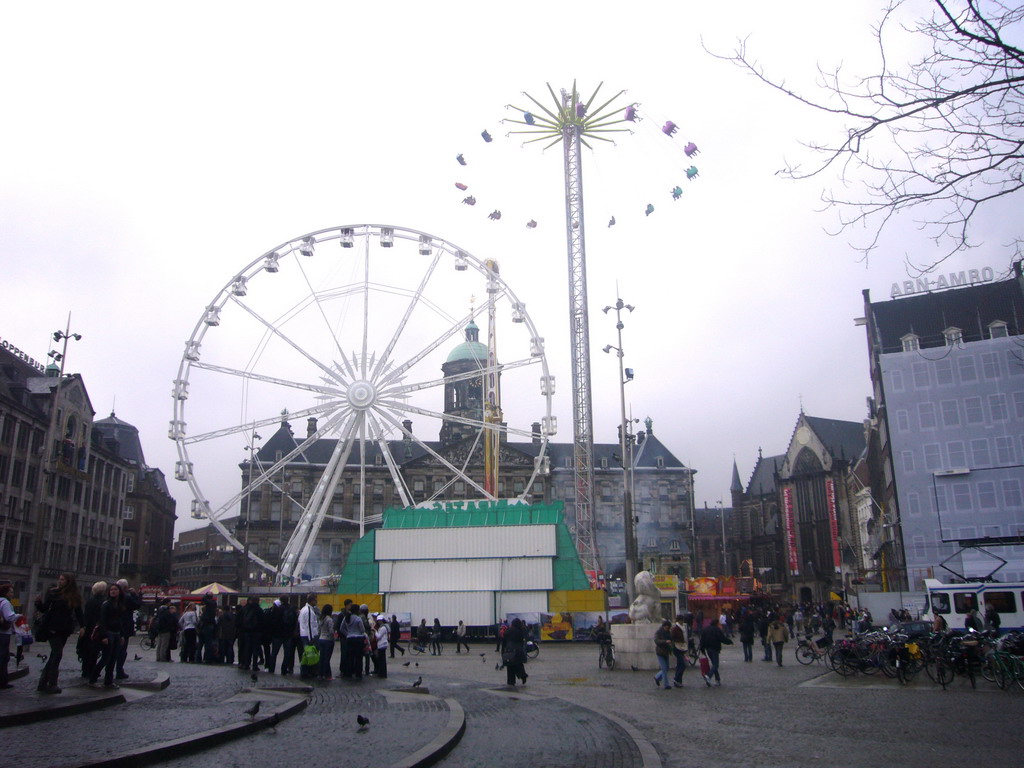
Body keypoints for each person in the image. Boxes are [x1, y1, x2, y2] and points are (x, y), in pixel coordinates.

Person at [34, 572, 84, 694]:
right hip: (53, 627)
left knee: (53, 655)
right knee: (57, 654)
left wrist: (83, 626)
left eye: (62, 580)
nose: (60, 581)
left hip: (65, 628)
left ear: (69, 581)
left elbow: (78, 612)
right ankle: (52, 683)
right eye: (59, 579)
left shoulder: (74, 595)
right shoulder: (53, 592)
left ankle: (42, 683)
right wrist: (38, 603)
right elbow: (45, 608)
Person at [91, 583, 127, 688]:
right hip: (109, 632)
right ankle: (93, 677)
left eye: (115, 589)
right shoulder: (106, 604)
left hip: (116, 633)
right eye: (111, 590)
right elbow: (103, 621)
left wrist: (122, 635)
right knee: (106, 658)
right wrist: (104, 636)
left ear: (119, 591)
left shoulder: (119, 605)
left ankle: (108, 681)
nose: (113, 591)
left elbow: (120, 621)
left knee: (113, 658)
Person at [80, 580, 107, 680]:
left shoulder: (90, 600)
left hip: (89, 627)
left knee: (87, 649)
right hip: (97, 628)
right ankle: (91, 670)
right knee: (94, 651)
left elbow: (86, 615)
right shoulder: (103, 602)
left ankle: (85, 669)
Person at [115, 579, 142, 677]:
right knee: (122, 649)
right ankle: (119, 670)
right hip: (125, 626)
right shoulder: (127, 598)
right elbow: (137, 604)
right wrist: (135, 594)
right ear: (126, 588)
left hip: (113, 625)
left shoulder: (114, 597)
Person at [698, 617, 732, 686]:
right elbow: (722, 638)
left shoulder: (705, 629)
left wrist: (702, 649)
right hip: (715, 648)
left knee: (714, 664)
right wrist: (729, 642)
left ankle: (717, 680)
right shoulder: (717, 630)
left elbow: (702, 640)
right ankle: (709, 676)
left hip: (708, 649)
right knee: (715, 665)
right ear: (716, 623)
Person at [297, 593, 319, 680]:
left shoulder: (303, 609)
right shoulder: (309, 610)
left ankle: (304, 671)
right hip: (309, 635)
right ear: (312, 601)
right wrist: (311, 638)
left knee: (306, 654)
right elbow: (309, 625)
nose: (316, 602)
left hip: (303, 634)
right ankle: (310, 671)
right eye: (315, 600)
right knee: (311, 654)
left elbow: (300, 621)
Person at [501, 617, 528, 686]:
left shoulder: (508, 631)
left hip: (509, 650)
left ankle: (511, 682)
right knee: (518, 665)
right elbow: (523, 640)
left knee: (510, 666)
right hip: (518, 651)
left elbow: (504, 642)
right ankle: (523, 676)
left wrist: (502, 651)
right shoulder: (521, 631)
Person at [239, 596, 263, 671]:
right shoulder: (259, 610)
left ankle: (246, 664)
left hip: (247, 631)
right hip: (257, 632)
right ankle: (255, 665)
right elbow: (262, 621)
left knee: (247, 648)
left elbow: (241, 620)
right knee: (255, 649)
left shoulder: (246, 609)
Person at [0, 583, 16, 689]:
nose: (12, 594)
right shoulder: (5, 602)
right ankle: (2, 681)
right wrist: (19, 616)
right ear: (6, 593)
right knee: (3, 657)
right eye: (11, 592)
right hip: (4, 633)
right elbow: (9, 617)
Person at [652, 619, 673, 690]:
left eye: (669, 628)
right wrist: (665, 641)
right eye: (667, 628)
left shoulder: (669, 633)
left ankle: (657, 677)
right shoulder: (659, 632)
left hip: (666, 652)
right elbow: (656, 641)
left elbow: (671, 640)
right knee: (664, 668)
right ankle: (666, 684)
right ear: (664, 626)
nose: (668, 629)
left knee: (667, 668)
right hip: (660, 652)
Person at [317, 605, 335, 680]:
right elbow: (331, 631)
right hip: (328, 640)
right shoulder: (329, 619)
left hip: (321, 639)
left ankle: (320, 674)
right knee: (327, 658)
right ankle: (327, 675)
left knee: (322, 657)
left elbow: (319, 630)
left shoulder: (321, 619)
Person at [670, 614, 689, 687]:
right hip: (677, 647)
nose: (682, 622)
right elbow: (672, 637)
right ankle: (676, 679)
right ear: (678, 620)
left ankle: (679, 682)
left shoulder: (683, 627)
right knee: (682, 664)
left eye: (682, 620)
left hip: (682, 647)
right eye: (681, 620)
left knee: (679, 665)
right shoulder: (675, 628)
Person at [373, 615, 389, 679]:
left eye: (380, 621)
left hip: (382, 645)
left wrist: (375, 631)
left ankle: (382, 673)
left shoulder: (383, 628)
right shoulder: (383, 627)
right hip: (382, 644)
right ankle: (382, 673)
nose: (379, 622)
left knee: (382, 660)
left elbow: (379, 636)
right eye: (378, 621)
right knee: (382, 660)